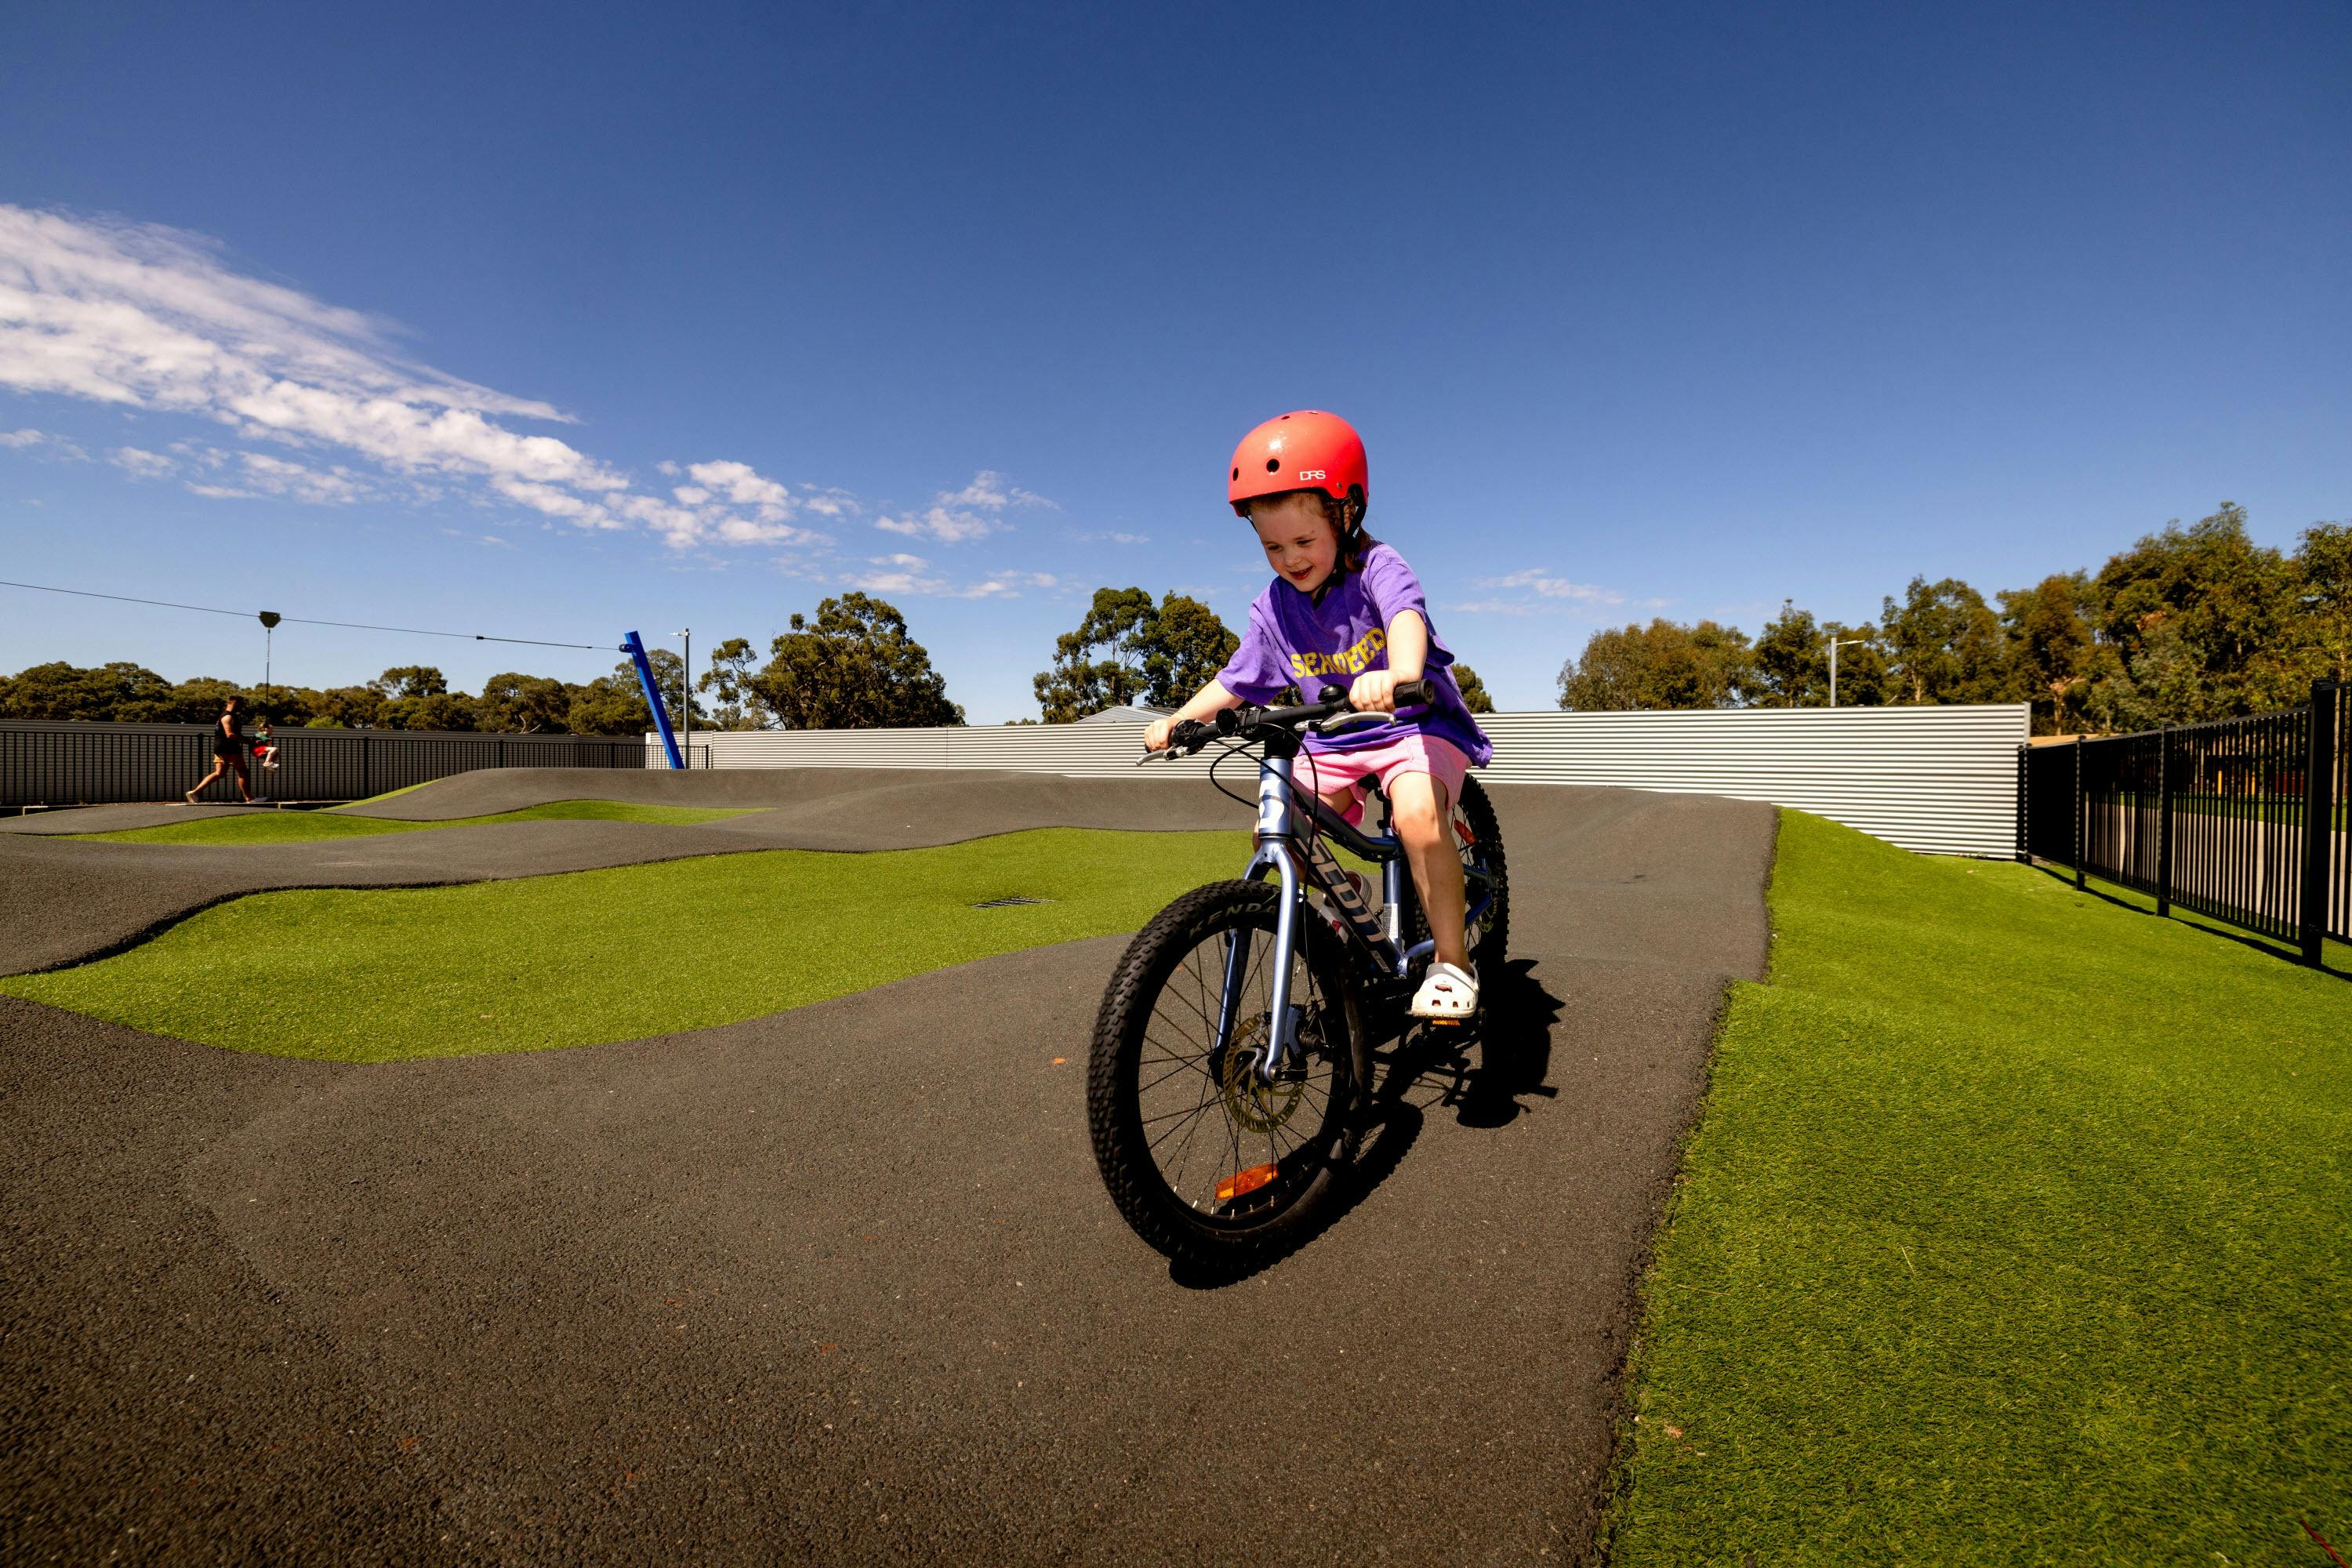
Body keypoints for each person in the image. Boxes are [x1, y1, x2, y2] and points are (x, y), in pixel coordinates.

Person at [1145, 410, 1494, 1020]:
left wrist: (1400, 673)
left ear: (1346, 514)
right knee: (1278, 829)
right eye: (1272, 547)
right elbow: (1236, 680)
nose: (1290, 558)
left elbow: (1405, 618)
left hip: (1414, 720)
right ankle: (1344, 898)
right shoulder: (1275, 607)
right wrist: (1181, 719)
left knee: (1416, 817)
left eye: (1304, 542)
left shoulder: (1378, 568)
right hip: (1338, 734)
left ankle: (1452, 962)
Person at [187, 694, 257, 804]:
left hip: (221, 748)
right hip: (229, 747)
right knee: (243, 771)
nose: (242, 707)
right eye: (241, 704)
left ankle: (194, 793)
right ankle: (249, 799)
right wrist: (249, 741)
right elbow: (230, 734)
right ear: (235, 702)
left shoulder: (226, 716)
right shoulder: (228, 717)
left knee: (220, 773)